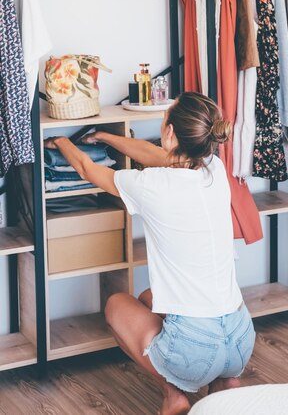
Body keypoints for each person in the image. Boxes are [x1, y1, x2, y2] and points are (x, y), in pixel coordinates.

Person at [45, 91, 256, 415]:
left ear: (170, 132)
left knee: (117, 305)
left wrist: (61, 142)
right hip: (241, 338)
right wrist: (105, 137)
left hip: (196, 347)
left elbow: (88, 169)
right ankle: (224, 382)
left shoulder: (150, 185)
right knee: (148, 299)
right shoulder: (215, 169)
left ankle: (174, 393)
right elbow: (155, 154)